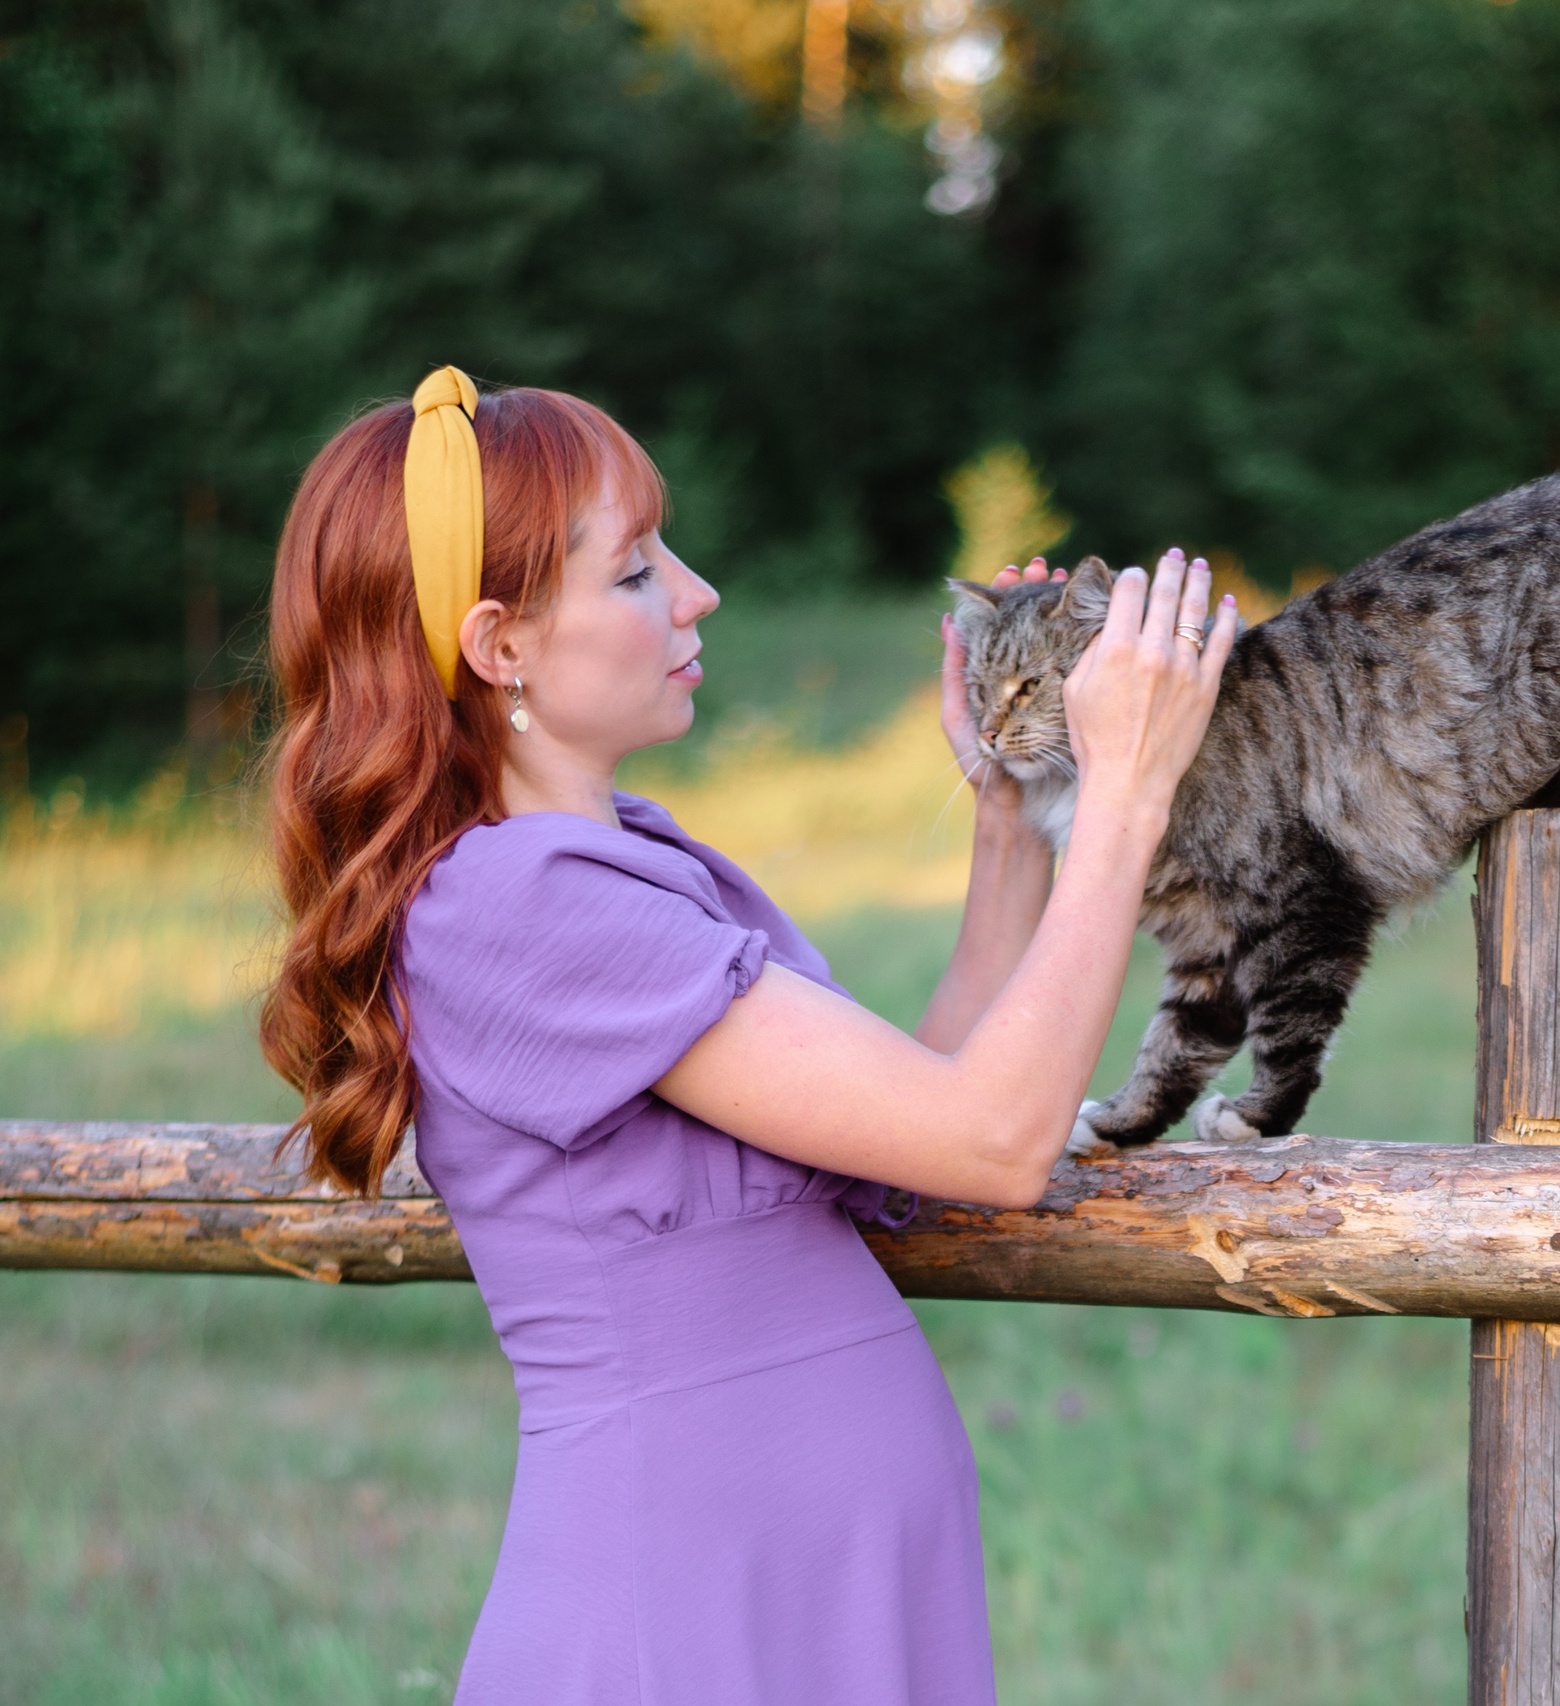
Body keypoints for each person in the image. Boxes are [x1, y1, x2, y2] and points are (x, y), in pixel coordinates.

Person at [258, 368, 1237, 1703]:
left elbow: (914, 1132)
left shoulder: (636, 860)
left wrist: (1015, 810)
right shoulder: (514, 903)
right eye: (638, 569)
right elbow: (998, 1140)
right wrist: (1129, 795)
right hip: (684, 1613)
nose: (698, 591)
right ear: (501, 646)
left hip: (813, 1591)